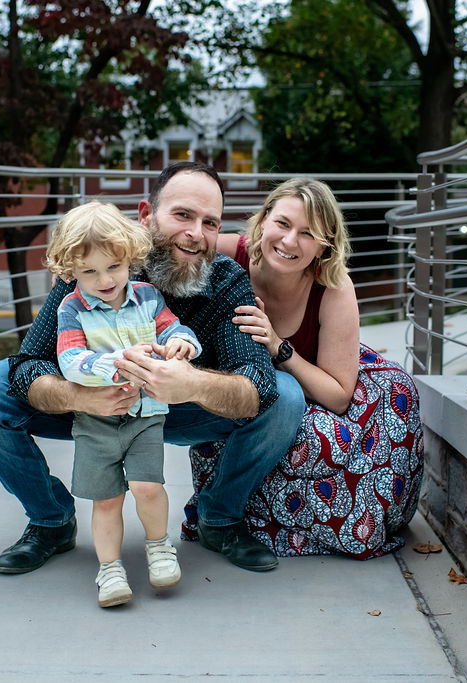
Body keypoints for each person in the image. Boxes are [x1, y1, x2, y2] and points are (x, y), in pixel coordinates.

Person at [0, 162, 305, 580]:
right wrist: (82, 396)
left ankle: (219, 518)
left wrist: (193, 383)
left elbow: (259, 385)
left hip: (184, 409)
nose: (196, 233)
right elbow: (29, 364)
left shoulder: (228, 281)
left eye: (210, 223)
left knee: (286, 397)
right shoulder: (98, 262)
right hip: (93, 404)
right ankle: (51, 520)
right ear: (145, 215)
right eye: (183, 215)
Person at [181, 177, 424, 559]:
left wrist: (277, 344)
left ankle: (336, 523)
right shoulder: (227, 252)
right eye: (282, 223)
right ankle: (234, 512)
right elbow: (159, 246)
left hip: (318, 378)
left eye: (308, 233)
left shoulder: (333, 287)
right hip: (249, 384)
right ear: (263, 220)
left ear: (324, 246)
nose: (290, 241)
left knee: (306, 419)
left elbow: (338, 396)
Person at [46, 201, 201, 607]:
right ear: (71, 270)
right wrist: (117, 365)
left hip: (145, 417)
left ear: (129, 259)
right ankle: (110, 569)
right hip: (96, 422)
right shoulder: (72, 308)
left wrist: (181, 342)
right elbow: (70, 360)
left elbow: (172, 328)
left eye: (113, 267)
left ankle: (159, 547)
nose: (104, 280)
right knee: (107, 499)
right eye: (89, 272)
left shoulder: (147, 297)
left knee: (148, 486)